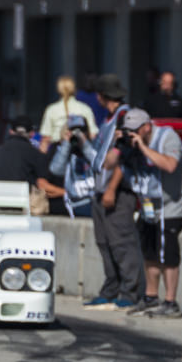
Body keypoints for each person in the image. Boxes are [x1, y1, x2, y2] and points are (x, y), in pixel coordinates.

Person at [72, 115, 142, 310]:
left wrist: (111, 189)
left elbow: (116, 164)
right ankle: (110, 290)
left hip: (118, 194)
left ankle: (130, 292)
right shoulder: (105, 129)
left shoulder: (124, 139)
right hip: (99, 193)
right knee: (104, 243)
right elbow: (99, 161)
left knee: (122, 244)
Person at [126, 107, 182, 316]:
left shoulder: (168, 137)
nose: (131, 134)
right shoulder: (131, 143)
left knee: (168, 254)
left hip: (171, 205)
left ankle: (171, 302)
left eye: (134, 130)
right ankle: (151, 297)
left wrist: (143, 148)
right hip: (148, 205)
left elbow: (170, 165)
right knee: (150, 252)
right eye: (128, 130)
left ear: (146, 127)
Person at [39, 76, 96, 152]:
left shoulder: (52, 109)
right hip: (81, 150)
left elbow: (45, 140)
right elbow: (93, 135)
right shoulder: (85, 108)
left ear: (58, 90)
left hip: (57, 151)